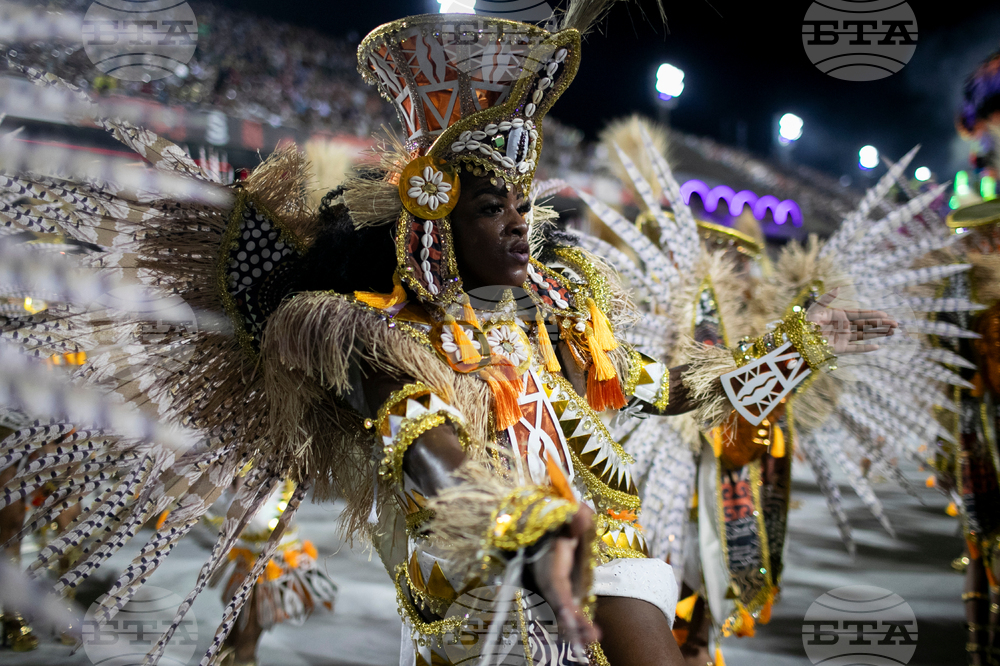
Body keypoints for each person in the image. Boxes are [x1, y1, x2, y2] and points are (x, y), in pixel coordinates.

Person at [0, 4, 896, 665]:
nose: (518, 222)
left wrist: (800, 342)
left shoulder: (557, 318)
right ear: (434, 214)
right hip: (481, 602)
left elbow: (676, 388)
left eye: (522, 203)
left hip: (595, 563)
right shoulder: (363, 330)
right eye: (489, 206)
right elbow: (422, 439)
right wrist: (522, 523)